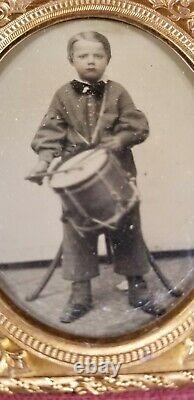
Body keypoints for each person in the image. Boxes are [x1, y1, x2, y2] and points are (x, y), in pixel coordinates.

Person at [28, 31, 165, 323]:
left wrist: (121, 139)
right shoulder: (62, 95)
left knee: (127, 227)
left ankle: (137, 286)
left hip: (116, 172)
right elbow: (49, 132)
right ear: (72, 60)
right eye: (83, 56)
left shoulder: (118, 92)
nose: (91, 61)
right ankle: (80, 295)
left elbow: (138, 125)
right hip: (76, 178)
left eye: (98, 55)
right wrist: (43, 162)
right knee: (77, 233)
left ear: (107, 59)